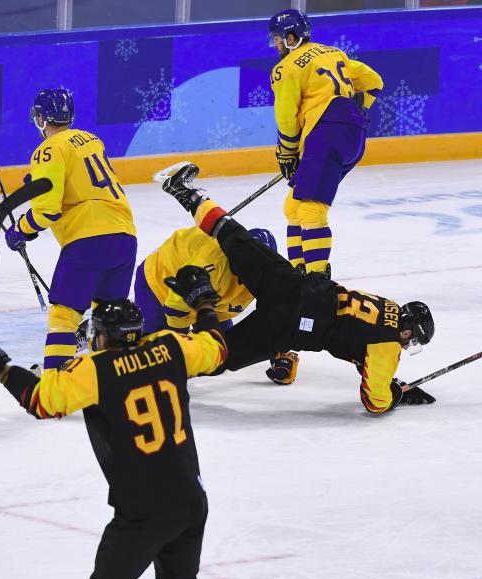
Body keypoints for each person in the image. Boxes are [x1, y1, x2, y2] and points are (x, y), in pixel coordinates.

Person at [0, 291, 226, 579]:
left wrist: (0, 367)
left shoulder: (95, 370)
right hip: (191, 499)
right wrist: (205, 302)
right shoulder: (171, 346)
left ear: (105, 336)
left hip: (144, 512)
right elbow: (217, 347)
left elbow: (42, 401)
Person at [160, 162, 437, 412]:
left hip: (291, 283)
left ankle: (188, 193)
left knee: (233, 235)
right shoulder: (388, 346)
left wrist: (386, 376)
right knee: (221, 356)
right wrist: (394, 392)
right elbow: (374, 402)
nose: (407, 343)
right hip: (287, 324)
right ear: (409, 329)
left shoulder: (386, 304)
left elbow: (361, 340)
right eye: (412, 339)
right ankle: (159, 368)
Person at [4, 88, 137, 373]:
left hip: (88, 240)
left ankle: (55, 379)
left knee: (64, 314)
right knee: (108, 316)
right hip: (125, 235)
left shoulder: (47, 149)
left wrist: (20, 229)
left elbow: (47, 212)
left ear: (41, 118)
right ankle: (113, 377)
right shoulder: (92, 139)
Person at [268, 9, 382, 276]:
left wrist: (286, 153)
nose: (275, 44)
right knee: (293, 205)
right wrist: (357, 111)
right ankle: (298, 271)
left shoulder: (285, 68)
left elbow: (287, 118)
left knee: (310, 207)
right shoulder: (332, 52)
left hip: (326, 136)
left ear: (292, 37)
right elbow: (374, 81)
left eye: (278, 38)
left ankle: (316, 279)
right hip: (353, 134)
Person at [135, 224, 276, 334]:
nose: (258, 267)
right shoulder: (212, 265)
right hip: (160, 281)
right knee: (159, 356)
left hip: (207, 297)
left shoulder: (270, 274)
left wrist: (279, 353)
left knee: (222, 355)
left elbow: (278, 313)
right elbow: (175, 305)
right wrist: (179, 345)